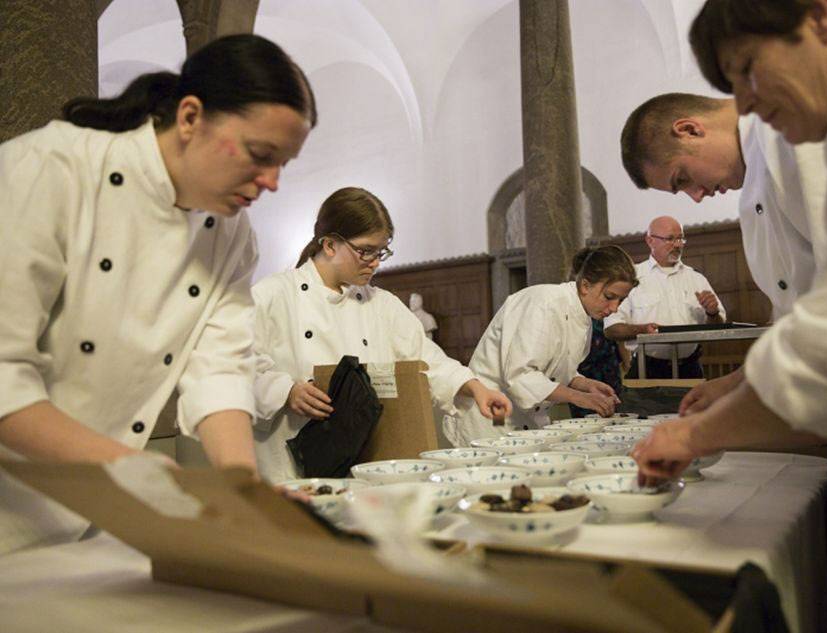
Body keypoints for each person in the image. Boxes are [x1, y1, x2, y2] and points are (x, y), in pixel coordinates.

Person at [634, 2, 827, 630]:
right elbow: (814, 316)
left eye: (748, 68)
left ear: (822, 16)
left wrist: (698, 435)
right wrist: (736, 386)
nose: (746, 104)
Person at [0, 34, 316, 555]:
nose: (272, 182)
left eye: (284, 163)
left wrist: (244, 490)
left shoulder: (232, 236)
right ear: (190, 117)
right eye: (261, 155)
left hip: (78, 520)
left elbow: (220, 371)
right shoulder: (50, 170)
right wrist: (133, 468)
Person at [251, 187, 512, 482]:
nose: (375, 261)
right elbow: (235, 368)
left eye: (381, 251)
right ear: (330, 245)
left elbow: (425, 359)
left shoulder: (382, 304)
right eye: (365, 251)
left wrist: (476, 388)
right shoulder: (273, 295)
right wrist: (286, 391)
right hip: (290, 463)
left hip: (365, 458)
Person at [619, 91, 827, 411]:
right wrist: (738, 382)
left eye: (683, 178)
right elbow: (795, 314)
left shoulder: (790, 133)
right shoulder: (750, 193)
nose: (697, 196)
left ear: (689, 130)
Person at [444, 245, 638, 447]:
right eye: (609, 297)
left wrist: (586, 385)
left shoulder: (583, 316)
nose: (614, 308)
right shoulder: (543, 304)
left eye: (621, 300)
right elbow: (520, 376)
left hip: (524, 418)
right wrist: (578, 397)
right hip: (491, 415)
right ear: (585, 286)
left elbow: (557, 370)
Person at [604, 216, 725, 379]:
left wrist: (712, 313)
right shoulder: (631, 277)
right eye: (670, 239)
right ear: (650, 241)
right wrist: (643, 330)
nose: (677, 245)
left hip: (690, 368)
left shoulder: (696, 279)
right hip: (647, 369)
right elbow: (611, 329)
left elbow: (718, 328)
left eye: (680, 239)